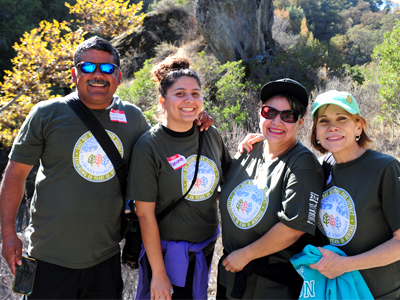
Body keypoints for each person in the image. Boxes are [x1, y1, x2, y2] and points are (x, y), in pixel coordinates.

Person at [0, 36, 212, 299]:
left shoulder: (133, 119)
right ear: (74, 73)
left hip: (105, 261)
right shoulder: (47, 114)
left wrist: (194, 118)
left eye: (107, 68)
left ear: (119, 76)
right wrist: (8, 233)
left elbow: (166, 144)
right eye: (88, 67)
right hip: (48, 258)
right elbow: (15, 174)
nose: (98, 74)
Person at [126, 56, 232, 300]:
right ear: (163, 101)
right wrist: (159, 273)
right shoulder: (150, 146)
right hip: (167, 255)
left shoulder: (210, 135)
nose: (189, 100)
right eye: (180, 93)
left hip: (204, 248)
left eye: (195, 94)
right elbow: (144, 214)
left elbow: (230, 176)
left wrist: (252, 146)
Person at [217, 78, 324, 299]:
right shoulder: (250, 149)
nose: (277, 121)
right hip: (233, 274)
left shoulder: (302, 163)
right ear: (260, 113)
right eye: (270, 112)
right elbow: (223, 191)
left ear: (301, 122)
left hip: (271, 285)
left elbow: (293, 228)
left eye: (288, 116)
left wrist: (245, 255)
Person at [308, 90, 400, 299]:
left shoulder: (385, 168)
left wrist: (345, 265)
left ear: (358, 126)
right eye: (324, 121)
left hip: (379, 292)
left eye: (342, 118)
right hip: (335, 290)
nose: (333, 126)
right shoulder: (319, 169)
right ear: (316, 132)